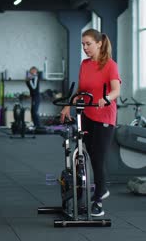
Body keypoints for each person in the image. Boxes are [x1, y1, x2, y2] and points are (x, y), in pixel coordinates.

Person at [60, 28, 121, 217]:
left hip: (104, 116)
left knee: (97, 157)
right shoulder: (84, 64)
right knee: (86, 155)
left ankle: (99, 198)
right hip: (86, 114)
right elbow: (81, 89)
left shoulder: (110, 65)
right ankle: (84, 194)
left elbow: (116, 90)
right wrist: (68, 105)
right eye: (83, 44)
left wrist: (108, 98)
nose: (85, 48)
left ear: (99, 43)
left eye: (88, 44)